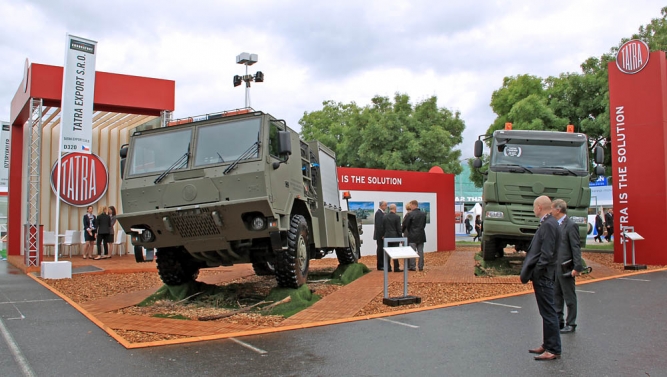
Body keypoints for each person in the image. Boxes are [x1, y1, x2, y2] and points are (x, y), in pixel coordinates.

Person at [520, 195, 562, 361]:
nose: (533, 209)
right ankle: (548, 344)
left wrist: (537, 271)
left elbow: (547, 252)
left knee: (549, 312)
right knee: (546, 312)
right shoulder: (550, 223)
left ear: (539, 207)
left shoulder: (549, 225)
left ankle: (553, 348)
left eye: (533, 207)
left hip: (543, 275)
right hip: (544, 274)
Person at [551, 199, 582, 334]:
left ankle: (571, 323)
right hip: (555, 267)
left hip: (566, 267)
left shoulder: (570, 225)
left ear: (558, 210)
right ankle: (559, 321)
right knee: (556, 295)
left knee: (569, 296)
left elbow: (575, 247)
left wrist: (577, 266)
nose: (550, 211)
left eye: (552, 209)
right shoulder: (555, 225)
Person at [403, 199, 427, 271]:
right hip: (421, 235)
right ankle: (421, 266)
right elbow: (423, 225)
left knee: (412, 252)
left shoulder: (410, 214)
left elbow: (406, 224)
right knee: (420, 251)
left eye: (411, 205)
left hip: (412, 235)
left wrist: (410, 230)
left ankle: (412, 266)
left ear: (413, 205)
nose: (410, 207)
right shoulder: (423, 214)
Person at [382, 203, 402, 272]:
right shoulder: (397, 217)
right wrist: (400, 238)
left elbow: (383, 227)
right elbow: (399, 228)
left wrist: (383, 235)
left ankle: (388, 267)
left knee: (388, 253)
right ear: (395, 209)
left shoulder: (384, 217)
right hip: (395, 236)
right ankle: (396, 268)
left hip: (387, 236)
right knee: (395, 252)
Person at [373, 201, 388, 271]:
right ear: (382, 206)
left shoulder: (382, 213)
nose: (386, 207)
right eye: (385, 205)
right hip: (380, 235)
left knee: (382, 250)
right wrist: (382, 234)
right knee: (380, 250)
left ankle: (382, 264)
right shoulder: (378, 213)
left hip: (381, 235)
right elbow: (379, 225)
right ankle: (380, 265)